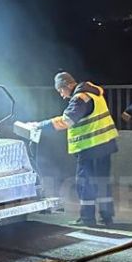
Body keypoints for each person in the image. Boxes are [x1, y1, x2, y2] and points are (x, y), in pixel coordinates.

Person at [34, 72, 119, 227]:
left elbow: (67, 120)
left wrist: (41, 125)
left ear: (67, 86)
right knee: (102, 182)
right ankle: (107, 218)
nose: (62, 95)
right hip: (105, 144)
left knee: (84, 183)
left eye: (60, 90)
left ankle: (88, 219)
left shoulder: (80, 98)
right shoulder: (94, 93)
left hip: (90, 148)